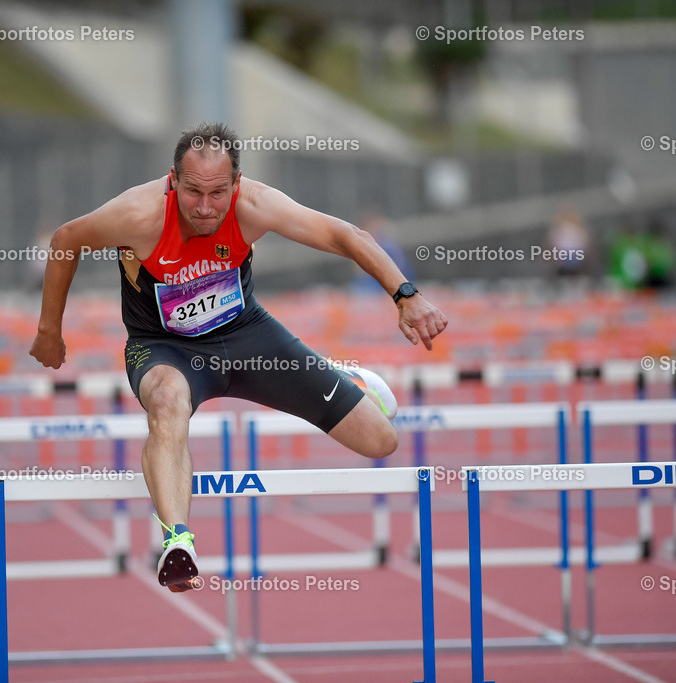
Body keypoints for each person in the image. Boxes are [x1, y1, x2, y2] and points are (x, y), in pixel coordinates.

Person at [30, 123, 448, 591]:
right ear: (173, 179)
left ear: (237, 184)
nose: (205, 208)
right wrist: (49, 330)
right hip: (168, 348)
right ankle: (177, 539)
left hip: (248, 338)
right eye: (192, 192)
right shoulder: (138, 214)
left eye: (217, 193)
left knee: (380, 441)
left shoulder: (255, 205)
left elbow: (345, 235)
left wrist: (406, 295)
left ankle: (347, 380)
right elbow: (67, 239)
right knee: (166, 401)